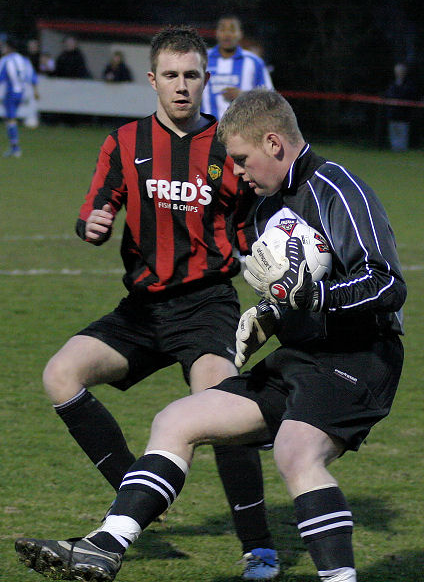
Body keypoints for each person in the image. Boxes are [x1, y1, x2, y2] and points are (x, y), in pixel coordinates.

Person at [15, 89, 407, 582]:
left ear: (273, 142)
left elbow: (387, 283)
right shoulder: (266, 209)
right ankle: (104, 547)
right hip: (302, 356)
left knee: (295, 452)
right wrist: (265, 318)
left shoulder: (337, 188)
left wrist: (314, 297)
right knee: (176, 419)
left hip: (361, 355)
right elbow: (294, 292)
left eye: (242, 160)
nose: (237, 173)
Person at [14, 29, 279, 580]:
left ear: (206, 80)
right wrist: (92, 225)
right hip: (141, 309)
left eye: (192, 75)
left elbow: (259, 228)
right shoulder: (123, 142)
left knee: (220, 405)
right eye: (172, 76)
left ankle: (259, 548)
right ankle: (138, 492)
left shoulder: (227, 149)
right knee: (61, 374)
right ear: (153, 79)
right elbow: (93, 215)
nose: (182, 87)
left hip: (206, 306)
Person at [201, 14, 274, 120]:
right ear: (216, 33)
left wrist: (245, 97)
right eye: (222, 29)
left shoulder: (254, 62)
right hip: (207, 130)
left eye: (232, 30)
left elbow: (270, 98)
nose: (227, 34)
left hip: (244, 130)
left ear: (240, 34)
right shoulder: (202, 59)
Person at [0, 36, 39, 156]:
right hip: (21, 93)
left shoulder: (6, 60)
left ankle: (15, 148)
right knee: (11, 119)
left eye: (4, 46)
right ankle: (14, 146)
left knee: (10, 119)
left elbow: (1, 77)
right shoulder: (25, 60)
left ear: (9, 47)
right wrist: (36, 91)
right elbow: (32, 77)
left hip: (11, 92)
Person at [385, 62, 419, 151]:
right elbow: (388, 95)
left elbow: (409, 95)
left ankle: (402, 151)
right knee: (393, 134)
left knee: (402, 134)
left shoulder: (408, 84)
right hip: (393, 113)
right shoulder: (392, 84)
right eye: (397, 71)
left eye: (400, 71)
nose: (398, 73)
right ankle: (394, 150)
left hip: (403, 114)